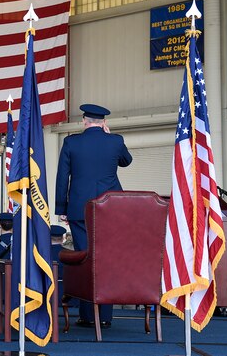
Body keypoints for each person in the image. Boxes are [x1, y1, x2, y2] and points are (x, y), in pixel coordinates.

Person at [54, 103, 133, 329]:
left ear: (84, 121)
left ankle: (88, 315)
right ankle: (106, 316)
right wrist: (112, 138)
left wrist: (62, 208)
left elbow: (63, 177)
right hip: (111, 208)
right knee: (106, 258)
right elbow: (127, 161)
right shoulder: (116, 141)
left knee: (86, 257)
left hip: (80, 207)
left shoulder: (71, 142)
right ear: (104, 123)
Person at [50, 225, 67, 303]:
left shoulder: (40, 255)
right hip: (65, 294)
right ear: (63, 239)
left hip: (45, 294)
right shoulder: (70, 254)